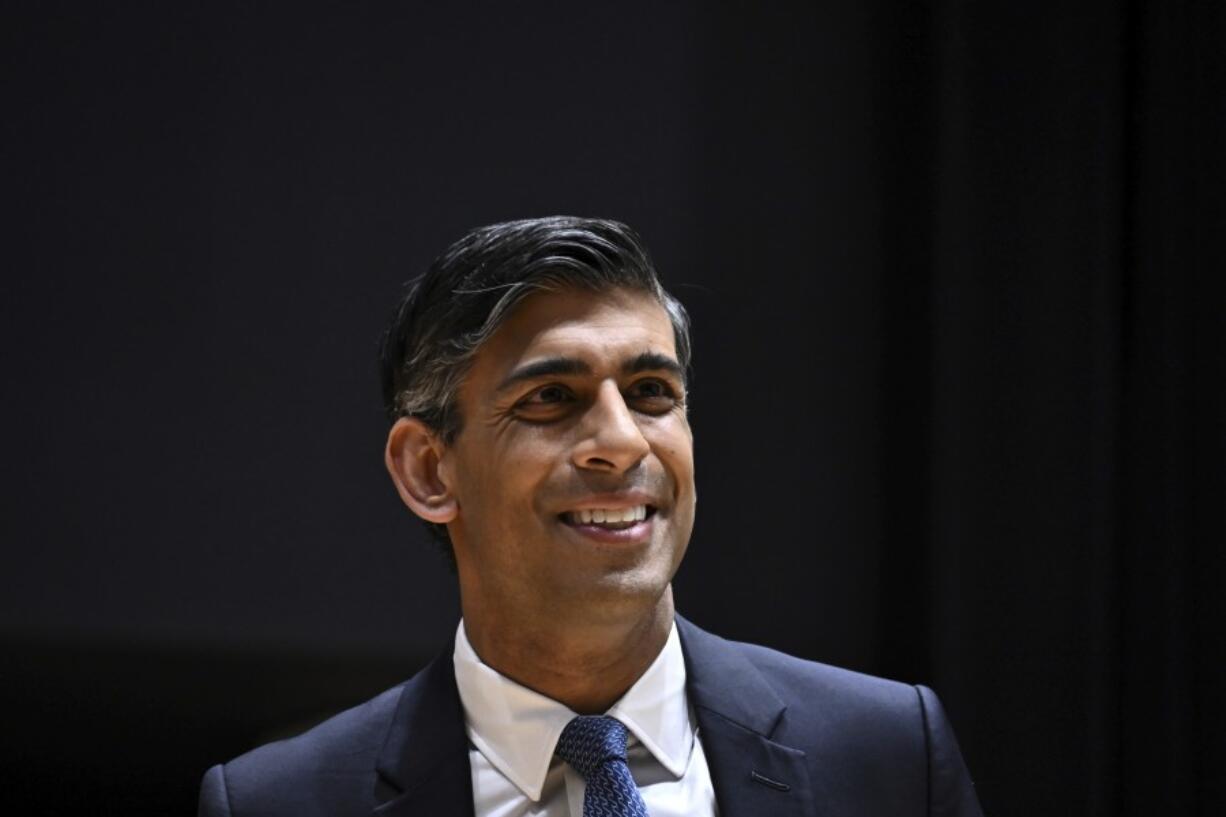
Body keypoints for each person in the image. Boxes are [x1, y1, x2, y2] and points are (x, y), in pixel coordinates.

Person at [198, 217, 984, 817]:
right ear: (429, 469)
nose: (620, 440)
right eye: (551, 398)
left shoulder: (887, 756)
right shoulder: (281, 801)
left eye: (651, 393)